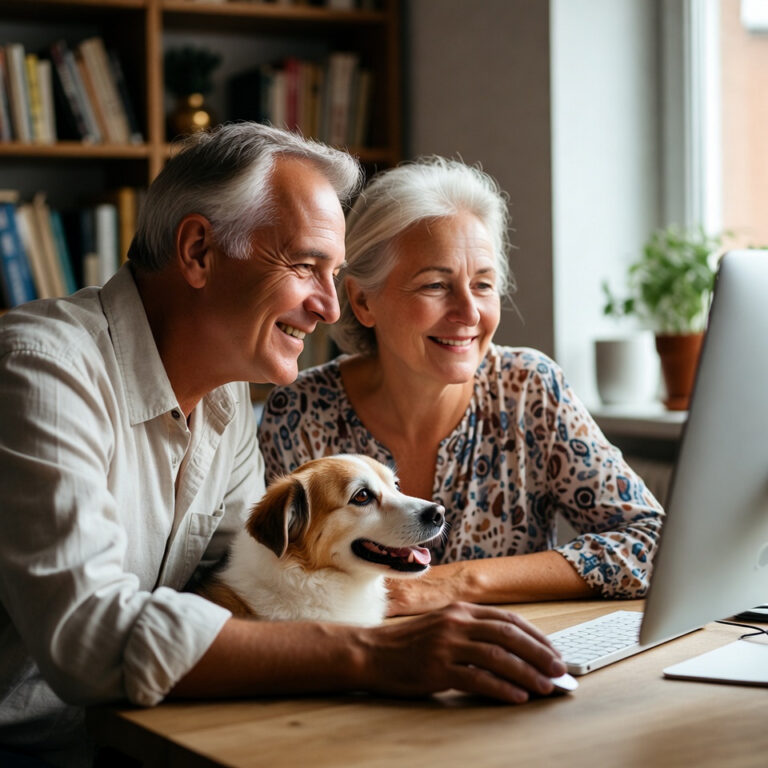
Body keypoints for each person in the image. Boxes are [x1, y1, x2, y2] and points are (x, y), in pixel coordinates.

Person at [0, 127, 567, 768]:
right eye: (306, 266)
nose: (329, 307)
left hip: (141, 738)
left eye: (334, 273)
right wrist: (375, 656)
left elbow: (247, 586)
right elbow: (90, 637)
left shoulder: (226, 402)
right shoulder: (43, 368)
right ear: (198, 251)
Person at [258, 156, 664, 617]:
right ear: (363, 300)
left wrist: (459, 582)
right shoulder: (302, 409)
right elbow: (273, 574)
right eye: (435, 285)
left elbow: (651, 543)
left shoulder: (529, 389)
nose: (469, 312)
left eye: (484, 284)